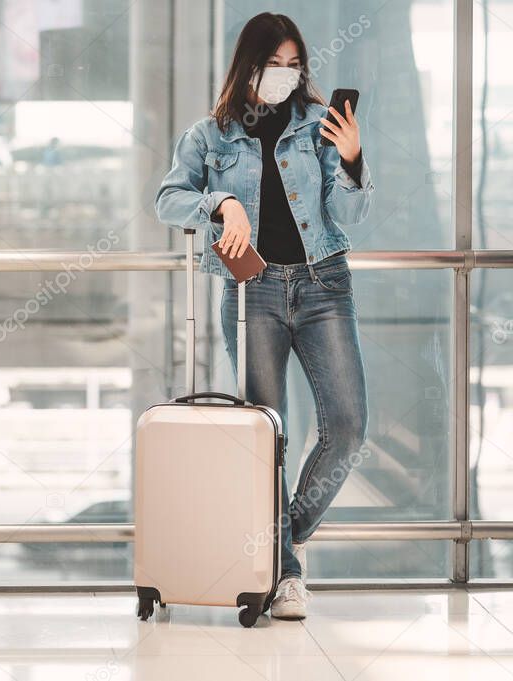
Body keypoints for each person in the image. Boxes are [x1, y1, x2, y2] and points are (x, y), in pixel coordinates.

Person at [154, 12, 373, 620]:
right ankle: (288, 577)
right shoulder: (210, 135)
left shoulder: (320, 126)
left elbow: (347, 217)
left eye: (292, 64)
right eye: (271, 64)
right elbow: (168, 201)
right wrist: (221, 200)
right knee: (264, 438)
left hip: (325, 284)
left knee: (349, 425)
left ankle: (277, 544)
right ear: (245, 66)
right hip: (253, 295)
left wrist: (353, 161)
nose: (284, 76)